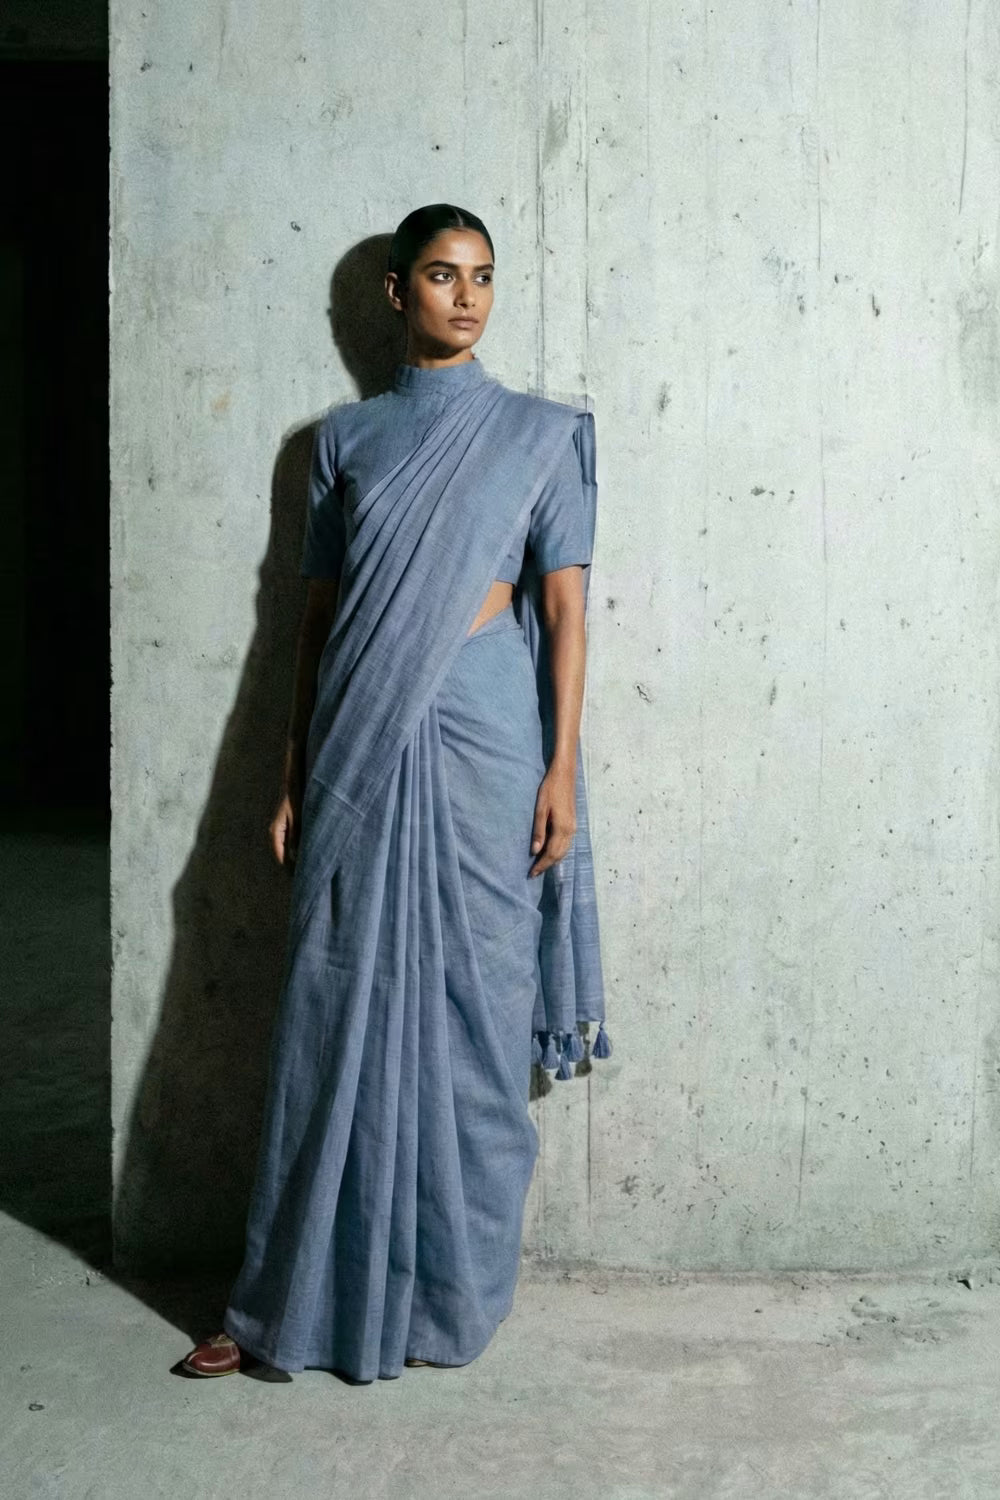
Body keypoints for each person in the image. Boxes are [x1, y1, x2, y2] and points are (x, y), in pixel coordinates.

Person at [181, 203, 611, 1383]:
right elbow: (311, 626)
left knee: (474, 1011)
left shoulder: (544, 434)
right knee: (332, 1016)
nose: (465, 296)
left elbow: (565, 608)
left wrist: (560, 763)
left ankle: (452, 1293)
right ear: (392, 293)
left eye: (481, 276)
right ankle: (282, 1305)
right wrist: (286, 777)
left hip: (486, 740)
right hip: (357, 746)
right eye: (439, 274)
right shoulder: (342, 442)